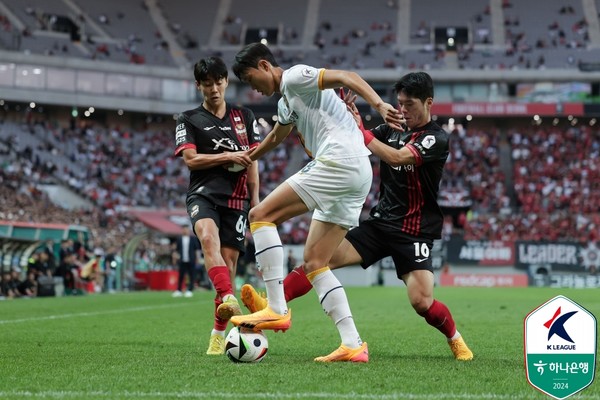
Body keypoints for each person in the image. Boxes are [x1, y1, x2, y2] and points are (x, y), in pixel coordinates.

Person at [242, 72, 474, 361]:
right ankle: (274, 302)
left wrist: (363, 132)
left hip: (414, 230)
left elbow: (397, 157)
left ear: (428, 102)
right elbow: (355, 143)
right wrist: (351, 121)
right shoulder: (390, 129)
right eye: (400, 104)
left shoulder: (435, 138)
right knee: (319, 261)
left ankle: (455, 338)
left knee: (421, 302)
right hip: (379, 223)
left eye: (410, 105)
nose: (403, 111)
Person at [228, 42, 403, 363]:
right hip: (358, 172)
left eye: (251, 79)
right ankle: (353, 344)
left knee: (260, 214)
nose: (252, 88)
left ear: (265, 65)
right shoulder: (287, 102)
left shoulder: (295, 77)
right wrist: (243, 157)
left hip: (339, 162)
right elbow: (276, 138)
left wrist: (379, 105)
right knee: (315, 261)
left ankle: (277, 307)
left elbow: (348, 76)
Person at [174, 56, 261, 355]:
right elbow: (191, 159)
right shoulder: (188, 119)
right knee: (207, 239)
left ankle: (217, 334)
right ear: (198, 86)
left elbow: (253, 161)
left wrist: (257, 202)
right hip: (203, 194)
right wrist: (228, 157)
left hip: (237, 200)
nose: (214, 89)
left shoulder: (244, 117)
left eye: (218, 82)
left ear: (226, 82)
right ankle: (226, 296)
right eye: (207, 83)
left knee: (229, 263)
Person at [171, 225, 201, 298]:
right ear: (182, 230)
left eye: (186, 229)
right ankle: (179, 290)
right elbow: (176, 250)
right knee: (181, 275)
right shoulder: (179, 239)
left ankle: (190, 290)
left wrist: (197, 259)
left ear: (188, 230)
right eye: (184, 229)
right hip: (182, 260)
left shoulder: (193, 239)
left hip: (191, 260)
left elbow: (197, 250)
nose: (185, 231)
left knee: (191, 275)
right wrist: (174, 259)